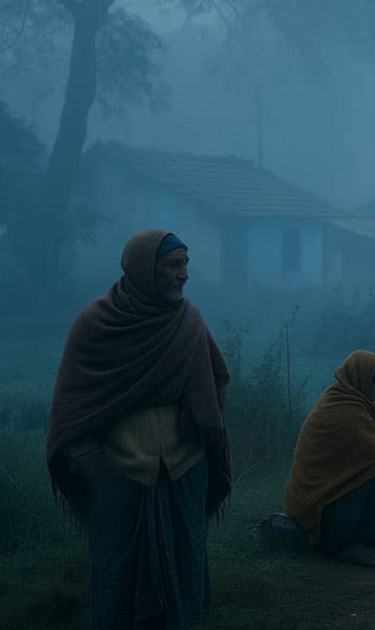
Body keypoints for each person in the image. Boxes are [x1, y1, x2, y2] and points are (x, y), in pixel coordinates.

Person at [46, 230, 232, 629]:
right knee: (117, 567)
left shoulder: (188, 320)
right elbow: (72, 403)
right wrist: (91, 463)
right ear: (145, 269)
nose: (184, 275)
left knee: (184, 558)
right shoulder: (97, 323)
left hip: (183, 464)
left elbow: (214, 379)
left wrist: (205, 433)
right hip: (120, 468)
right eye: (173, 265)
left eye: (186, 264)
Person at [283, 350, 375, 567]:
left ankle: (368, 538)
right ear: (362, 379)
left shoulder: (355, 401)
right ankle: (342, 543)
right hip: (320, 499)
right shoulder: (341, 408)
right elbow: (370, 452)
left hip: (336, 486)